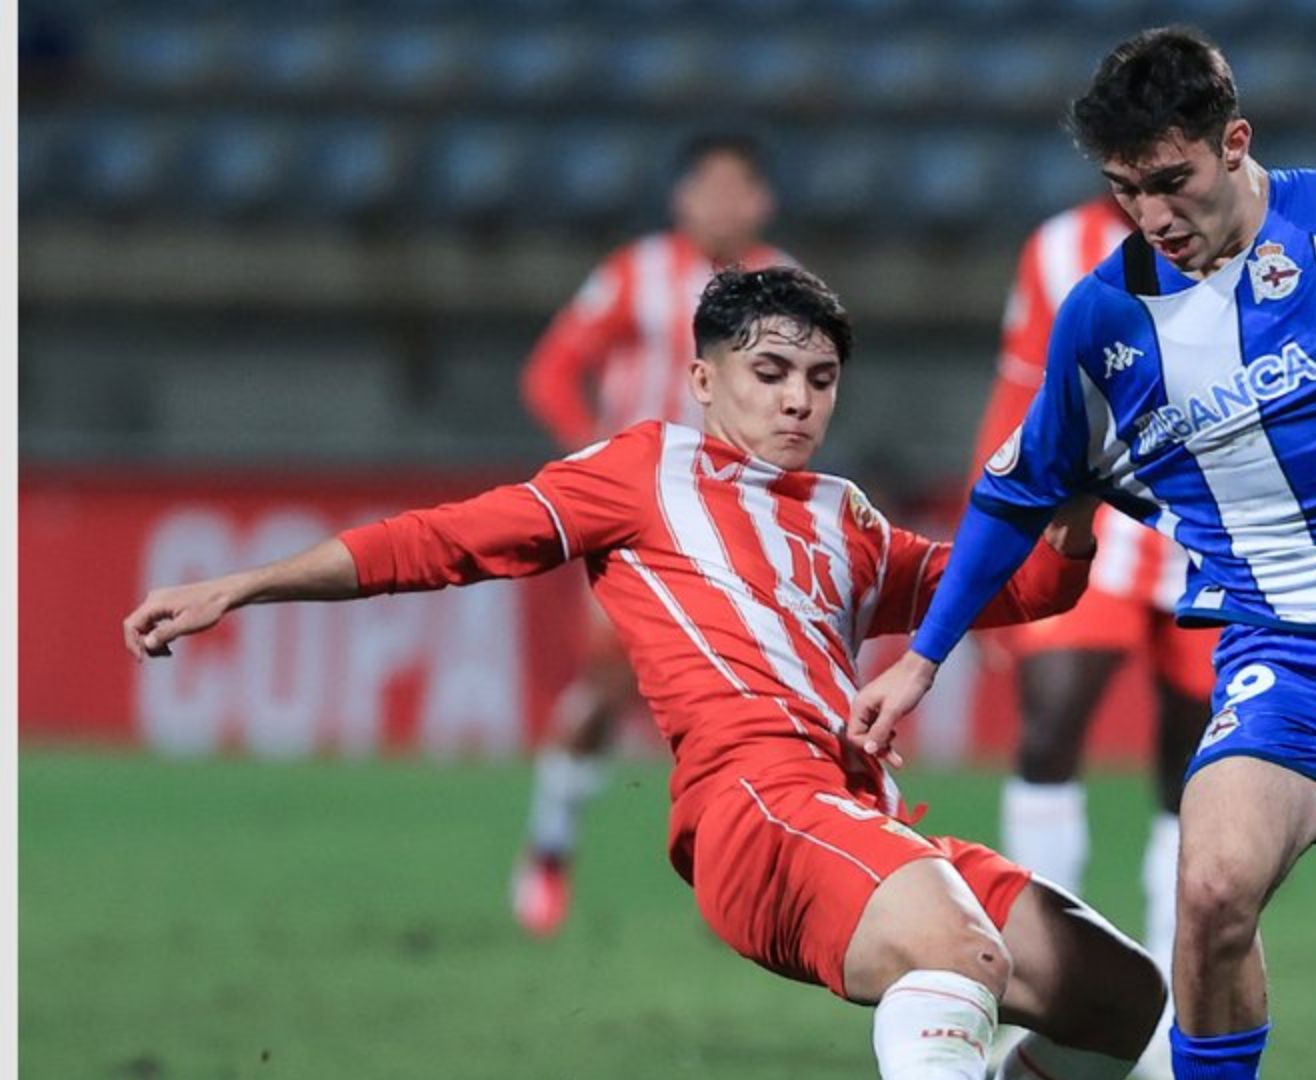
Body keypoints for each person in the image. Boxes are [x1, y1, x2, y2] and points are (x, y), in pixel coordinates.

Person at [124, 267, 1164, 1080]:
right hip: (753, 807)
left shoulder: (842, 514)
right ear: (705, 378)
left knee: (1121, 994)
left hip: (859, 814)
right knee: (959, 955)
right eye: (770, 373)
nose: (798, 400)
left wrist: (1071, 514)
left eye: (820, 378)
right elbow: (440, 543)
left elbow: (1006, 594)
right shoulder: (641, 473)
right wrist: (248, 585)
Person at [854, 28, 1316, 1080]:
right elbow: (1014, 494)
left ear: (1234, 142)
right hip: (1287, 655)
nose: (1152, 216)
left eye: (1171, 181)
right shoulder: (1105, 322)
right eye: (1123, 190)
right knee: (1211, 890)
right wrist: (923, 655)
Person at [514, 133, 790, 936]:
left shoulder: (787, 286)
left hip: (740, 518)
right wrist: (595, 458)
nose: (724, 204)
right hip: (637, 516)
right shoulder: (637, 274)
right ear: (682, 198)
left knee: (749, 700)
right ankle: (550, 848)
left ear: (761, 202)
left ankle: (749, 879)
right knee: (607, 686)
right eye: (710, 187)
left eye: (740, 189)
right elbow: (551, 370)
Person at [974, 196, 1218, 1077]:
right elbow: (1018, 390)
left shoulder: (1251, 239)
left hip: (1208, 532)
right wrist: (991, 541)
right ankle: (1048, 977)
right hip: (1089, 524)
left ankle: (1164, 994)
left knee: (1192, 769)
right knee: (1048, 727)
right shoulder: (1059, 249)